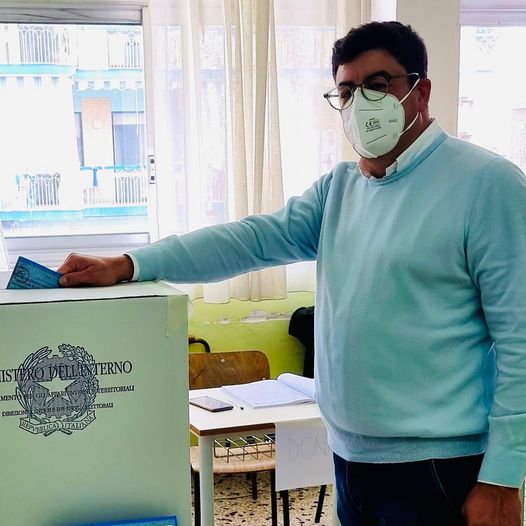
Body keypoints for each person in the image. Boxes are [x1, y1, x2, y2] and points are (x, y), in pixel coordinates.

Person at [58, 21, 526, 526]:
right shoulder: (340, 189)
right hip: (350, 460)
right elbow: (249, 240)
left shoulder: (485, 184)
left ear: (421, 91)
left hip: (440, 467)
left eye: (377, 85)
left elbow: (519, 339)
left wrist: (503, 477)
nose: (360, 103)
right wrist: (131, 264)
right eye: (347, 91)